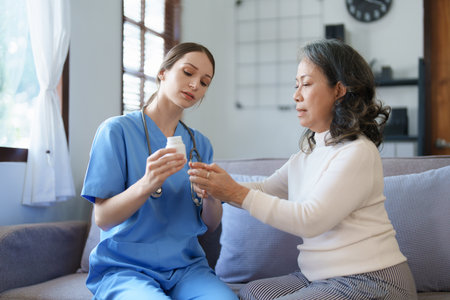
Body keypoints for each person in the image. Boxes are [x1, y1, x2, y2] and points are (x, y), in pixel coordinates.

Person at [188, 39, 418, 300]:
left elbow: (311, 220)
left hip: (371, 279)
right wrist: (217, 186)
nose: (296, 95)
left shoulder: (357, 152)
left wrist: (234, 193)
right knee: (252, 292)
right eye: (296, 85)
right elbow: (266, 189)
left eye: (306, 84)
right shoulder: (308, 153)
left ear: (339, 90)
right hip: (319, 276)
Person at [81, 42, 238, 300]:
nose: (195, 85)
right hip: (126, 269)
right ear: (163, 72)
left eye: (204, 82)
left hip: (187, 269)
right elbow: (103, 218)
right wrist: (148, 183)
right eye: (188, 73)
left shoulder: (200, 145)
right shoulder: (115, 132)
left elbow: (211, 224)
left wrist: (212, 196)